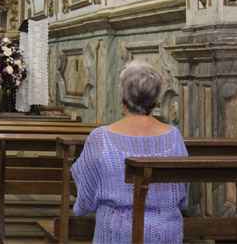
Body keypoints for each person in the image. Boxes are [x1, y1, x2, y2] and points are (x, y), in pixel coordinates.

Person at [71, 60, 187, 243]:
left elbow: (86, 197)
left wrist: (81, 208)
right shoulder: (174, 136)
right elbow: (182, 194)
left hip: (116, 232)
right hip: (166, 231)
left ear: (122, 97)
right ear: (156, 99)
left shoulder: (100, 137)